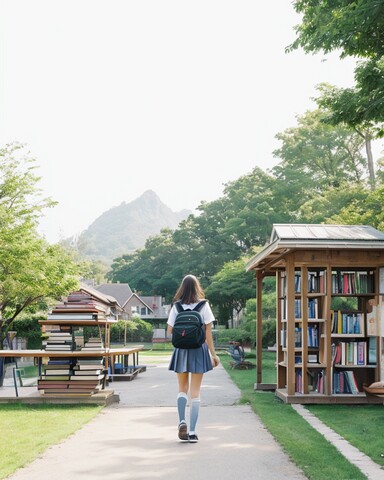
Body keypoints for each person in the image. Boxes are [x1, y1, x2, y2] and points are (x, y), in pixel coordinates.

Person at [167, 274, 220, 443]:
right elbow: (208, 333)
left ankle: (181, 421)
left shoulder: (176, 307)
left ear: (182, 288)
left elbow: (170, 331)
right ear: (197, 287)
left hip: (181, 350)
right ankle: (192, 432)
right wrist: (213, 354)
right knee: (195, 391)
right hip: (199, 350)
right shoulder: (204, 305)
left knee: (182, 388)